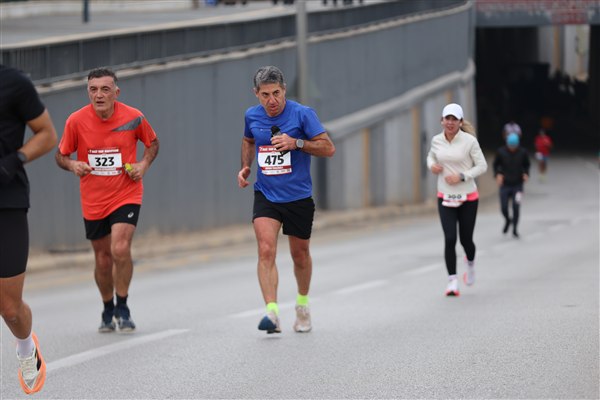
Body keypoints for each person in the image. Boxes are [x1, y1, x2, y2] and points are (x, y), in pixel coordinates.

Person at [56, 67, 159, 333]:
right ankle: (107, 308)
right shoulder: (76, 121)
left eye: (105, 89)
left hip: (126, 192)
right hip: (93, 198)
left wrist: (143, 165)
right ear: (88, 92)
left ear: (116, 92)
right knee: (102, 258)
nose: (99, 95)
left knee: (120, 249)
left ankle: (123, 306)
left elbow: (152, 143)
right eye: (93, 89)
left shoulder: (134, 117)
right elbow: (61, 155)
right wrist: (73, 165)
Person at [237, 66, 335, 333]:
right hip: (266, 194)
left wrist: (297, 143)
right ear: (256, 94)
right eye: (265, 95)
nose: (272, 100)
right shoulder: (252, 115)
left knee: (299, 255)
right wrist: (245, 167)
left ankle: (302, 305)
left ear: (284, 90)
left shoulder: (303, 114)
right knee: (266, 249)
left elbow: (328, 148)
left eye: (276, 93)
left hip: (298, 196)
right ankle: (272, 312)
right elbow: (248, 140)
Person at [0, 65, 58, 394]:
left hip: (6, 199)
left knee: (9, 308)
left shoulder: (13, 83)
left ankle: (26, 347)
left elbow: (47, 135)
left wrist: (14, 160)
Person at [427, 103, 487, 296]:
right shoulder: (436, 140)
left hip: (468, 197)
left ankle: (470, 264)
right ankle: (452, 281)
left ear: (460, 122)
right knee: (450, 238)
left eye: (454, 119)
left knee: (466, 240)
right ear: (442, 121)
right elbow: (430, 157)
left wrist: (462, 176)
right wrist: (432, 166)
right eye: (447, 119)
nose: (450, 122)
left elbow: (482, 166)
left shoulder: (469, 141)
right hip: (445, 196)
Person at [493, 132, 530, 238]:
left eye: (514, 146)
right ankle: (508, 220)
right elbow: (495, 165)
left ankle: (515, 229)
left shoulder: (523, 152)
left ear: (517, 145)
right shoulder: (501, 152)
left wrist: (526, 174)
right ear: (507, 144)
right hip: (505, 184)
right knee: (504, 207)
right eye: (510, 146)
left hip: (518, 185)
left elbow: (527, 165)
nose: (512, 148)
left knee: (516, 206)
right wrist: (498, 174)